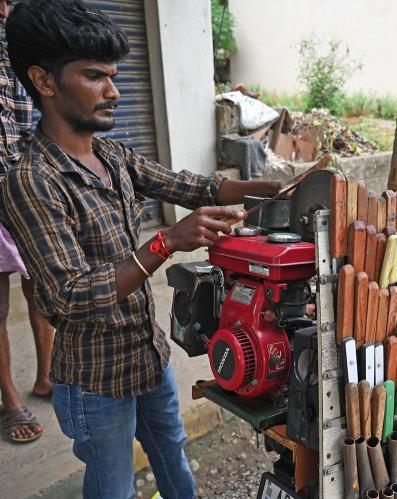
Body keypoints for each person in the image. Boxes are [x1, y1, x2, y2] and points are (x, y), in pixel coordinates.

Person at [1, 0, 286, 496]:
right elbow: (67, 297)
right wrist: (166, 242)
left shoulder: (110, 153)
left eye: (113, 75)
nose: (114, 91)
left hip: (146, 357)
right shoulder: (31, 181)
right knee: (113, 488)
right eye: (95, 76)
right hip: (94, 381)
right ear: (44, 82)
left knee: (173, 458)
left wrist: (278, 188)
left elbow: (192, 187)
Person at [0, 0, 54, 444]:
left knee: (42, 284)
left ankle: (47, 377)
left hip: (23, 182)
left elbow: (32, 116)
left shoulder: (17, 41)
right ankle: (10, 400)